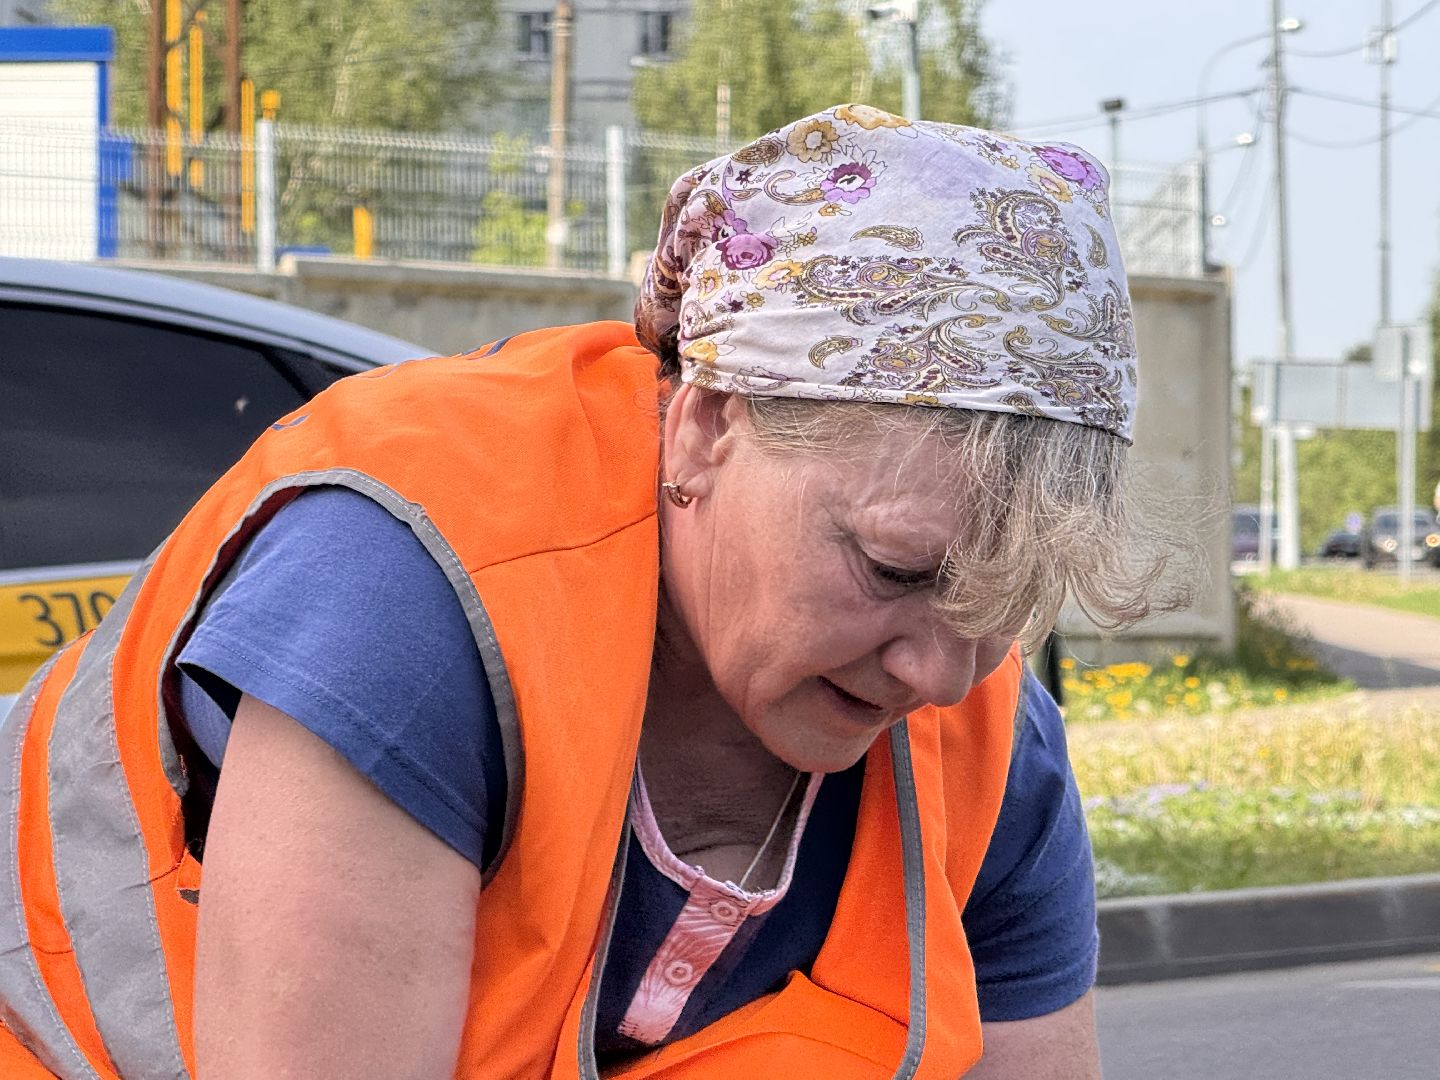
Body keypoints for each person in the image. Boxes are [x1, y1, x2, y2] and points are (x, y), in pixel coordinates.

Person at [0, 104, 1181, 1079]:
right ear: (710, 428)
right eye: (894, 571)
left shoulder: (986, 754)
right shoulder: (410, 605)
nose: (938, 673)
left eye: (1002, 602)